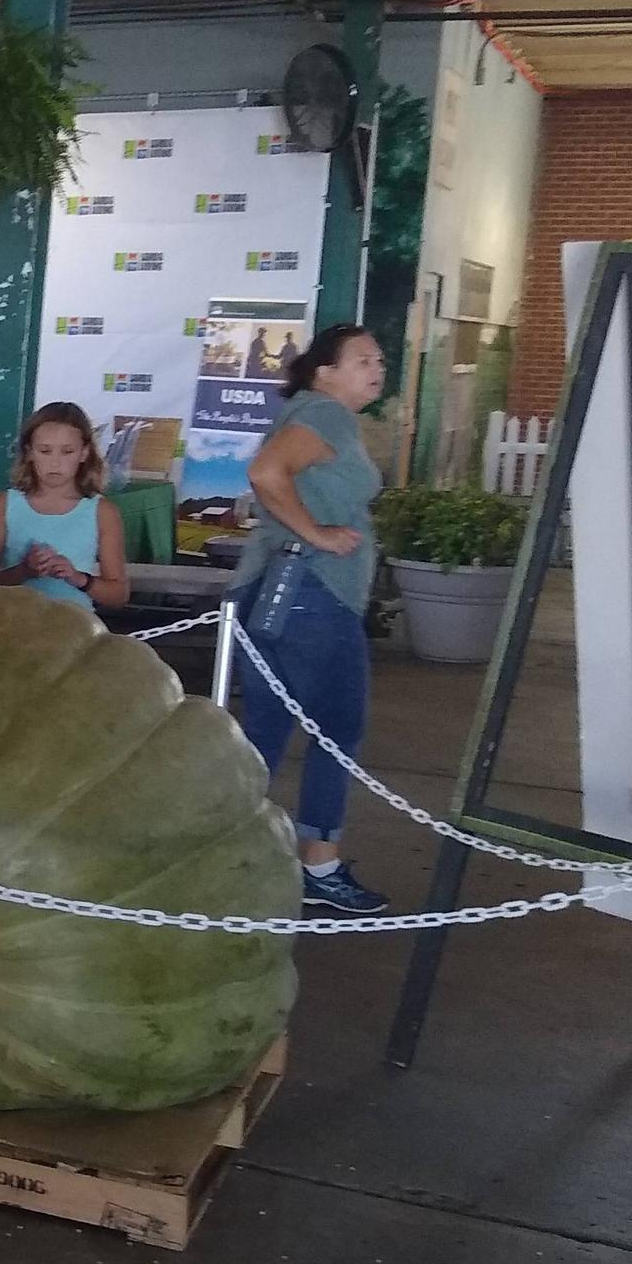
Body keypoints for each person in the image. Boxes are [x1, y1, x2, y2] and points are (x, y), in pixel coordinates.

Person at [234, 322, 391, 916]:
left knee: (265, 734)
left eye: (379, 359)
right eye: (362, 360)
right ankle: (319, 864)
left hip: (275, 590)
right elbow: (266, 473)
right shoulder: (325, 415)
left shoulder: (317, 413)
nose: (376, 368)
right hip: (311, 596)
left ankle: (218, 854)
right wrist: (316, 535)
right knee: (337, 729)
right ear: (323, 370)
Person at [0, 402, 127, 610]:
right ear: (29, 453)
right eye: (45, 451)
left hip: (74, 629)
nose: (55, 463)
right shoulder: (3, 505)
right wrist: (24, 570)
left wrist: (78, 578)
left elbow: (118, 594)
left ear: (84, 453)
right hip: (11, 626)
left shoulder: (102, 511)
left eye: (67, 452)